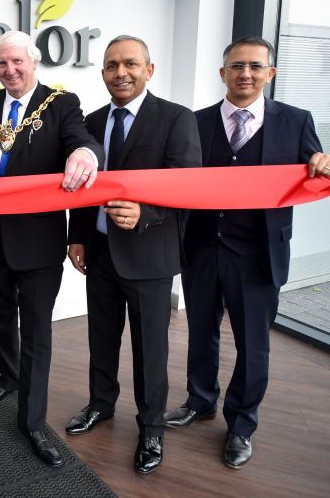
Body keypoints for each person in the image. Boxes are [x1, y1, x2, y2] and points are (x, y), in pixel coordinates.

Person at [164, 35, 330, 469]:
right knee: (201, 332)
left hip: (258, 255)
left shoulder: (296, 121)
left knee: (253, 345)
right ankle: (200, 401)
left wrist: (324, 162)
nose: (246, 74)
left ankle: (241, 424)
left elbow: (318, 165)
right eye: (237, 66)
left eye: (256, 67)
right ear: (222, 73)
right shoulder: (195, 122)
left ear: (269, 74)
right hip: (200, 249)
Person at [65, 36, 202, 474]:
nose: (120, 72)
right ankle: (100, 404)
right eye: (111, 65)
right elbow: (85, 189)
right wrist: (78, 236)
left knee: (150, 350)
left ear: (149, 69)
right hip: (101, 253)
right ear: (102, 72)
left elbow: (186, 186)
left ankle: (152, 430)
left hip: (150, 256)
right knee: (100, 339)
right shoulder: (92, 120)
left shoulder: (176, 118)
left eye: (130, 64)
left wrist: (146, 212)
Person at [0, 30, 103, 466]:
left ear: (35, 61)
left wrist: (85, 153)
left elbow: (80, 140)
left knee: (37, 335)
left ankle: (32, 423)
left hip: (39, 243)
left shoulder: (62, 104)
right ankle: (7, 376)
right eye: (2, 63)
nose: (10, 70)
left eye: (17, 62)